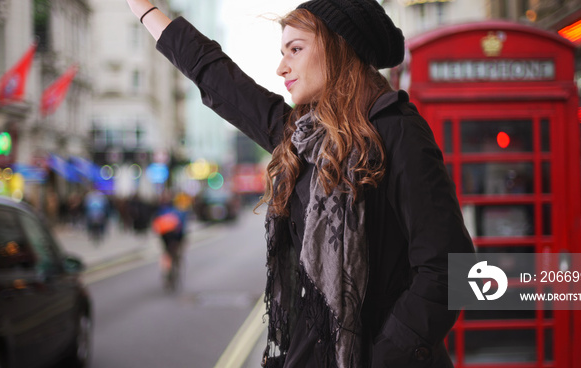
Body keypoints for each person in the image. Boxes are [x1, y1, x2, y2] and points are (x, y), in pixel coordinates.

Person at [126, 0, 475, 366]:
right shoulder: (300, 138)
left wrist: (385, 358)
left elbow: (449, 268)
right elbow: (218, 76)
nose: (281, 68)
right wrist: (145, 10)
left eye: (295, 49)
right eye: (282, 52)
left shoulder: (397, 131)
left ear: (339, 48)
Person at [152, 191, 188, 289]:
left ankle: (167, 269)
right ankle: (173, 267)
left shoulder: (161, 211)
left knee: (166, 253)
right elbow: (183, 226)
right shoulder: (179, 211)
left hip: (166, 236)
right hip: (175, 236)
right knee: (175, 254)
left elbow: (156, 225)